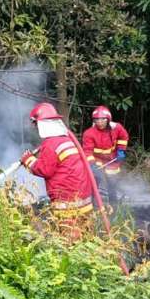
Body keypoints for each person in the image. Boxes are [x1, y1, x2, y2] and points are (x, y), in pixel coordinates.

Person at [20, 102, 94, 239]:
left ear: (42, 124)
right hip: (83, 198)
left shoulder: (51, 144)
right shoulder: (65, 139)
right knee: (86, 237)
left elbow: (44, 170)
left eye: (36, 125)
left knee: (70, 240)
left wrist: (28, 160)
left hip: (67, 202)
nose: (36, 128)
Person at [82, 105, 129, 205]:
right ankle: (94, 206)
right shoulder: (89, 133)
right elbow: (87, 151)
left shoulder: (117, 128)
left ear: (108, 119)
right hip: (97, 160)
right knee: (95, 182)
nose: (100, 122)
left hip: (112, 159)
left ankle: (114, 206)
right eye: (97, 120)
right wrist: (92, 164)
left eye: (102, 119)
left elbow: (123, 137)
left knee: (112, 183)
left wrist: (121, 151)